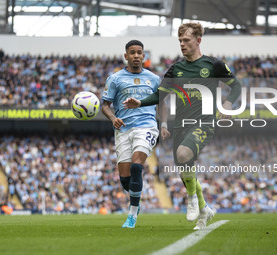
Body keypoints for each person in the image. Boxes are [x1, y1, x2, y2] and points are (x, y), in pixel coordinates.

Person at [123, 22, 242, 230]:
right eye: (180, 41)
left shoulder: (213, 65)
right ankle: (204, 211)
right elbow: (160, 95)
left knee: (185, 154)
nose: (182, 44)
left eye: (186, 40)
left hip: (204, 123)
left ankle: (192, 200)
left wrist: (228, 103)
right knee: (185, 171)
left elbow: (236, 86)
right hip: (180, 126)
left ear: (198, 41)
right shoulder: (176, 69)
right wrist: (140, 103)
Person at [101, 40, 160, 228]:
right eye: (132, 53)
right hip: (123, 129)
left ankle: (132, 215)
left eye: (139, 52)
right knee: (126, 180)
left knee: (137, 167)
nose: (136, 56)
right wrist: (112, 118)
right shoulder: (115, 79)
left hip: (146, 126)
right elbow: (105, 105)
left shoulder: (154, 79)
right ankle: (136, 199)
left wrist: (164, 124)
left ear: (144, 56)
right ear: (126, 56)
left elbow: (162, 102)